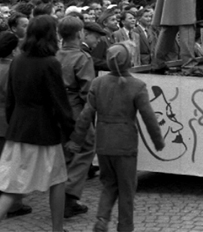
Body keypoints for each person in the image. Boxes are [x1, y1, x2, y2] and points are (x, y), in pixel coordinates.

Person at [66, 43, 165, 232]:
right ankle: (125, 227)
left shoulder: (98, 83)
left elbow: (86, 115)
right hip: (125, 144)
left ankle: (102, 218)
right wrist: (157, 140)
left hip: (103, 142)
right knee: (127, 188)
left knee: (109, 184)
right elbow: (149, 117)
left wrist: (77, 140)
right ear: (128, 61)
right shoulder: (137, 86)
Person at [0, 15, 75, 231]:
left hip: (19, 128)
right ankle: (57, 229)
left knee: (15, 185)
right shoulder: (50, 63)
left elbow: (11, 101)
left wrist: (14, 124)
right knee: (56, 180)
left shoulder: (18, 60)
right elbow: (59, 101)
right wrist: (71, 131)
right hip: (44, 131)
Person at [56, 15, 96, 219]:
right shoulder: (82, 57)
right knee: (86, 145)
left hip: (57, 107)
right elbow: (87, 91)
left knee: (66, 150)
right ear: (80, 33)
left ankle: (60, 192)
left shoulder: (55, 55)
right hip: (75, 108)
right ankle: (69, 194)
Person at [0, 31, 33, 219]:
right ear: (13, 50)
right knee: (11, 165)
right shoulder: (12, 68)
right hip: (7, 121)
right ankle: (13, 205)